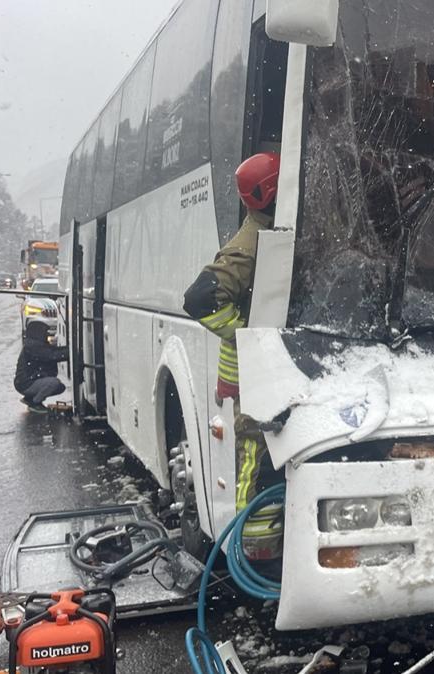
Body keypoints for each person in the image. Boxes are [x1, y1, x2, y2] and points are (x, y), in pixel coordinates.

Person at [183, 152, 282, 560]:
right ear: (274, 191)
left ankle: (263, 546)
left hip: (259, 376)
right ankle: (256, 556)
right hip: (251, 377)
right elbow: (199, 299)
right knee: (253, 466)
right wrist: (247, 333)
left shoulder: (265, 233)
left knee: (259, 462)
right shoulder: (250, 245)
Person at [15, 320, 67, 414]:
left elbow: (51, 352)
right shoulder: (34, 346)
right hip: (26, 383)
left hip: (26, 382)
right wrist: (70, 352)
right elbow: (52, 355)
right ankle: (35, 403)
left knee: (59, 387)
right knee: (53, 383)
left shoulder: (33, 344)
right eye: (45, 332)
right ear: (38, 332)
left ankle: (30, 397)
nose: (46, 335)